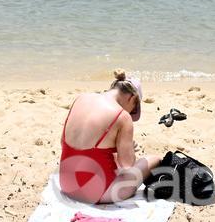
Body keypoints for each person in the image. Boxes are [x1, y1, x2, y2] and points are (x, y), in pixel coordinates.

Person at [59, 70, 158, 204]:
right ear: (132, 98)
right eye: (134, 109)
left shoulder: (81, 98)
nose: (130, 112)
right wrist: (130, 151)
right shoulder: (122, 117)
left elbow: (64, 143)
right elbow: (127, 165)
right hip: (97, 193)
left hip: (67, 184)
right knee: (153, 160)